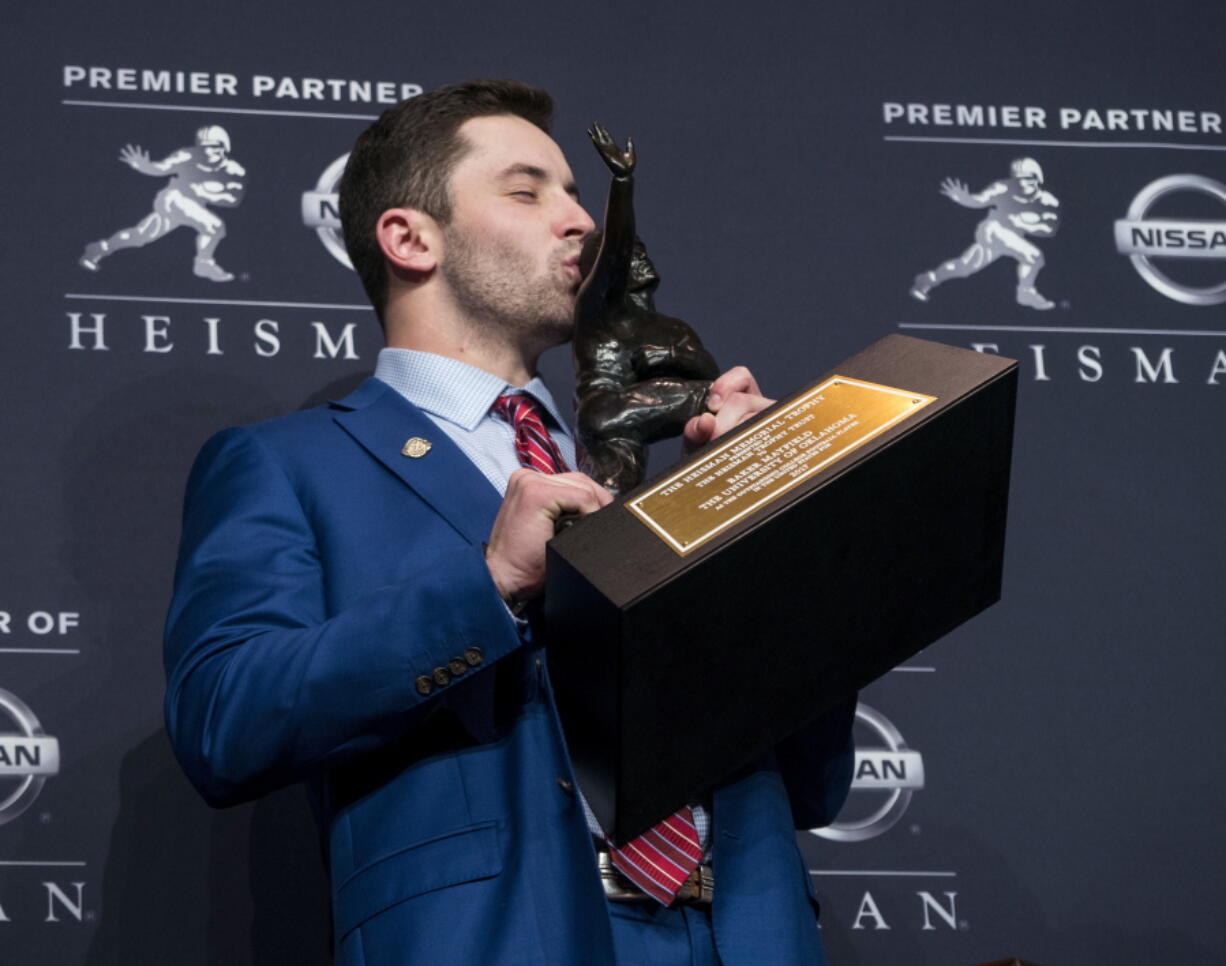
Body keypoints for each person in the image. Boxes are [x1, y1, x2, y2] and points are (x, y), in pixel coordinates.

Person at [164, 79, 855, 966]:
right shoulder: (289, 466)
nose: (581, 223)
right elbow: (226, 721)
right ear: (409, 238)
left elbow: (813, 781)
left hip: (746, 937)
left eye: (574, 194)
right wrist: (487, 585)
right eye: (530, 192)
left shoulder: (650, 468)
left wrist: (775, 527)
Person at [80, 125, 244, 282]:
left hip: (192, 206)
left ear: (224, 146)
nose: (208, 151)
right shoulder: (187, 156)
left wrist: (205, 193)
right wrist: (145, 166)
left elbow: (233, 199)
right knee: (214, 226)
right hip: (173, 199)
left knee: (139, 236)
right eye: (203, 147)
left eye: (214, 146)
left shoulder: (233, 170)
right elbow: (161, 167)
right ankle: (203, 263)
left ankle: (100, 248)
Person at [910, 157, 1060, 310]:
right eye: (1018, 179)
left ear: (1037, 178)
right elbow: (980, 200)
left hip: (1012, 237)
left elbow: (1049, 230)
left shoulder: (1048, 202)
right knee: (1033, 256)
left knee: (963, 267)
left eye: (1027, 178)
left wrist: (1023, 224)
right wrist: (965, 199)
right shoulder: (1002, 187)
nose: (1022, 183)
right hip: (993, 230)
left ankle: (929, 279)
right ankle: (1026, 292)